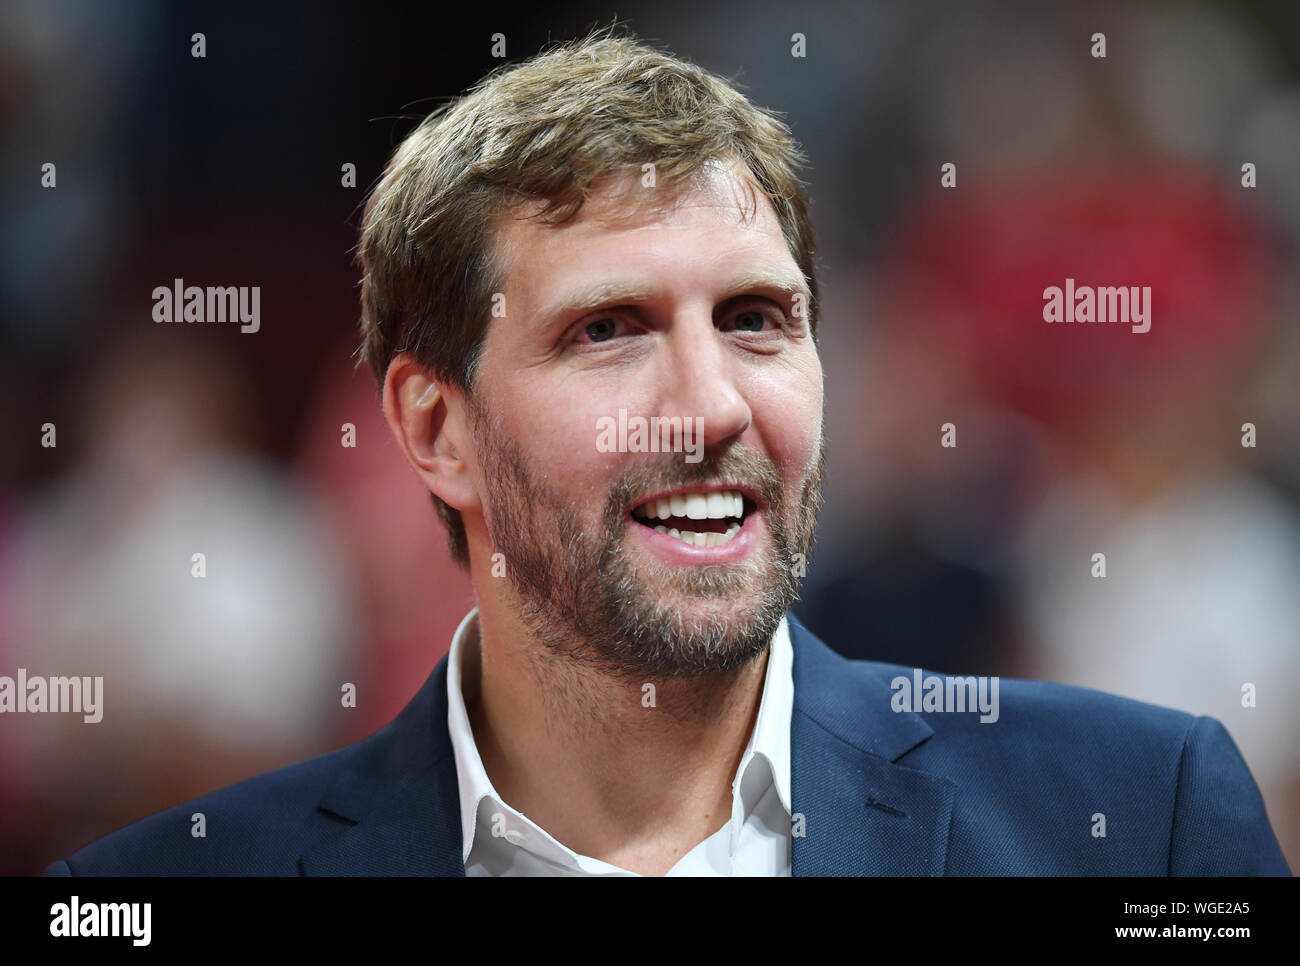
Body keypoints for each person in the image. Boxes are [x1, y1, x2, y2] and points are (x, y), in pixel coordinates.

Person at [47, 30, 1289, 877]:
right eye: (608, 330)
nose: (710, 408)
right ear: (437, 430)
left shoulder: (1141, 821)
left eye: (755, 321)